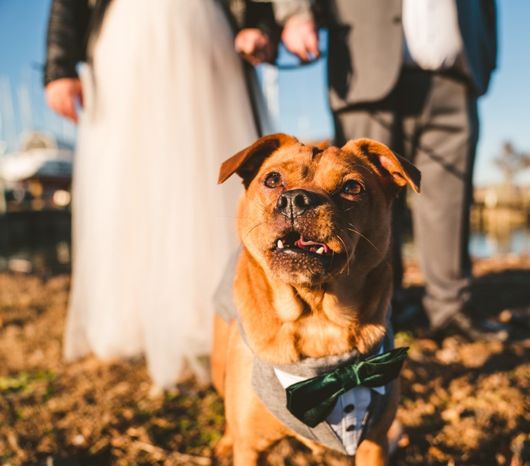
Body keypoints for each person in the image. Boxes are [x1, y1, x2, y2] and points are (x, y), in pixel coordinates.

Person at [44, 0, 276, 388]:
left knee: (206, 176)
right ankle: (131, 314)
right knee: (130, 179)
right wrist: (59, 67)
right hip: (128, 38)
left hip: (204, 36)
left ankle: (219, 313)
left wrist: (260, 25)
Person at [280, 0, 499, 338]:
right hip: (365, 65)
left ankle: (450, 305)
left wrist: (486, 55)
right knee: (358, 197)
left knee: (450, 197)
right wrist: (296, 14)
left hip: (455, 71)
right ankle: (382, 305)